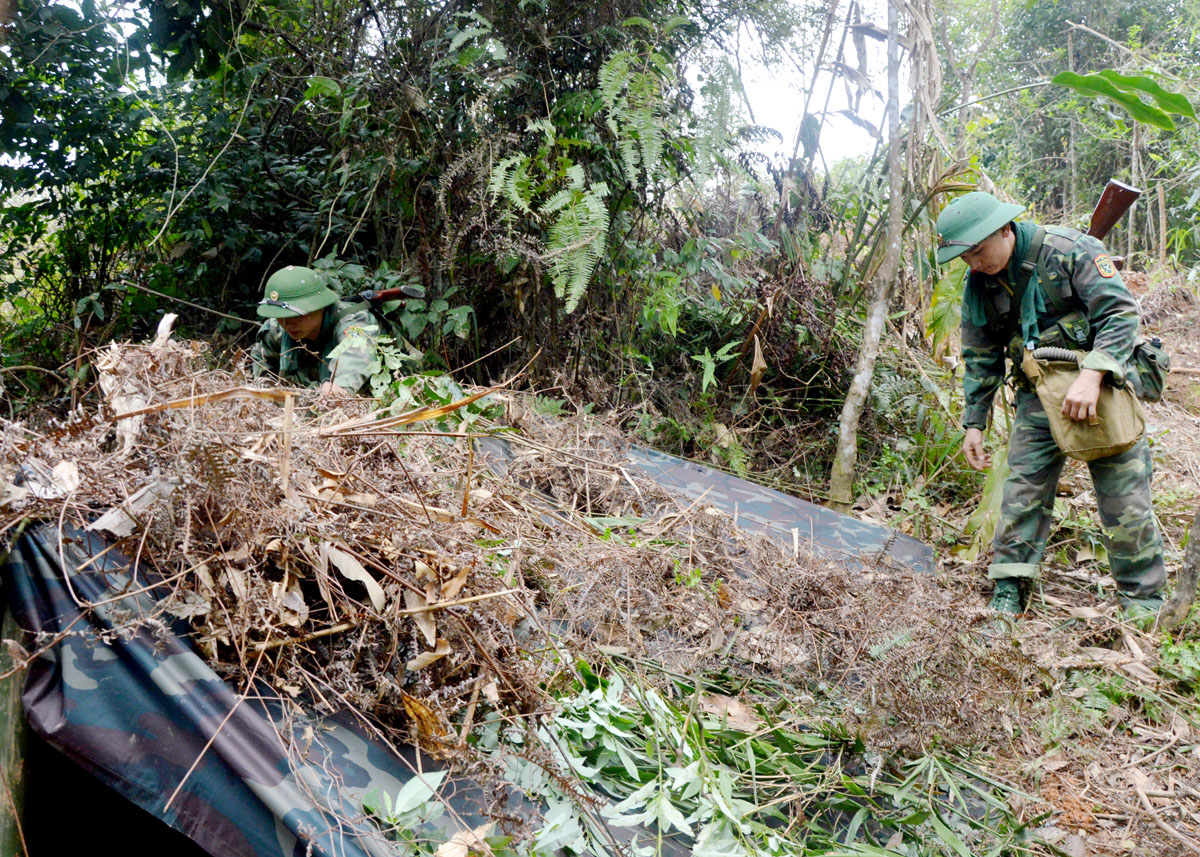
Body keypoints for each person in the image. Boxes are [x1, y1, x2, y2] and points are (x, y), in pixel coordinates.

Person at [935, 190, 1166, 617]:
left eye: (979, 252)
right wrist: (974, 422)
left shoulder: (1070, 250)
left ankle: (1144, 606)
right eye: (965, 258)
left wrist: (1093, 374)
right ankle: (1009, 590)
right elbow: (980, 355)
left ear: (1005, 229)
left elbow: (1119, 313)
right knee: (1022, 492)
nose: (975, 264)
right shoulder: (979, 286)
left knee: (1125, 500)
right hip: (1038, 394)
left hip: (1103, 387)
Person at [250, 265, 381, 395]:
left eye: (294, 315)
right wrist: (268, 395)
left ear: (320, 307)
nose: (286, 324)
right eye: (281, 316)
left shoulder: (351, 321)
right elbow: (260, 357)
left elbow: (355, 353)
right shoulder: (277, 329)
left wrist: (341, 386)